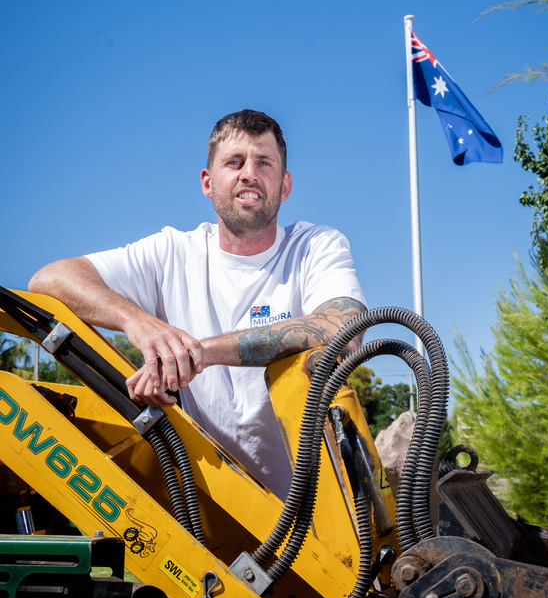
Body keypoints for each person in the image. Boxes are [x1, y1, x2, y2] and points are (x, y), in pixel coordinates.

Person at [29, 110, 367, 499]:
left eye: (264, 162)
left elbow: (344, 329)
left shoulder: (314, 246)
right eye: (234, 162)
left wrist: (197, 353)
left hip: (325, 504)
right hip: (218, 501)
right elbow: (49, 280)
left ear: (285, 184)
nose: (249, 174)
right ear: (208, 182)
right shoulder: (173, 252)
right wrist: (138, 322)